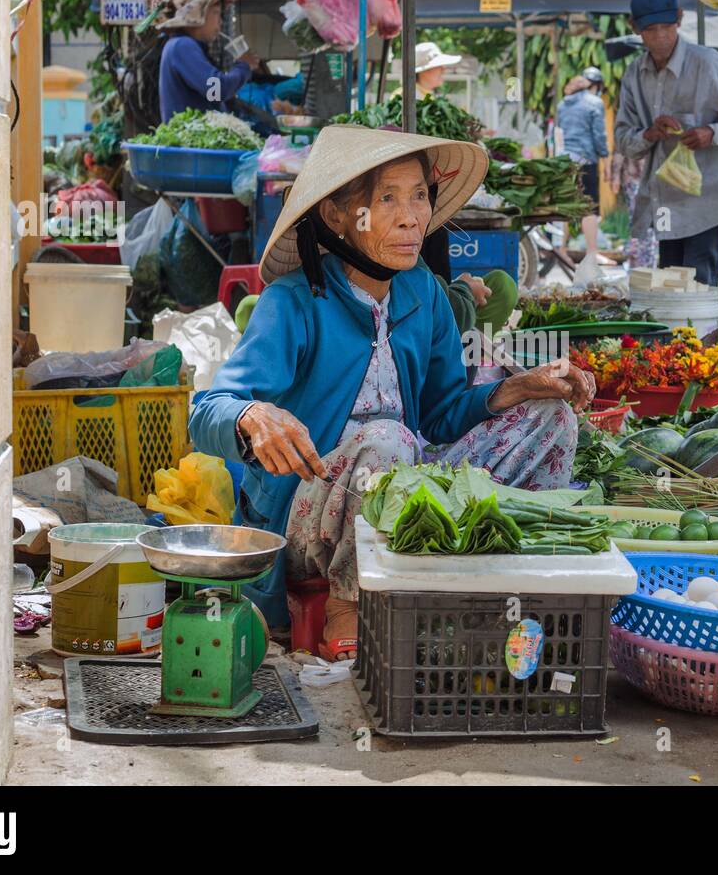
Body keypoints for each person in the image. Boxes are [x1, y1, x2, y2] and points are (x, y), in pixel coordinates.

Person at [189, 126, 594, 658]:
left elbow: (442, 417)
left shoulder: (422, 291)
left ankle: (507, 576)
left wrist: (516, 389)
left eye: (420, 196)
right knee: (387, 441)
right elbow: (205, 414)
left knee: (552, 417)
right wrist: (252, 415)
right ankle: (348, 602)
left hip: (405, 490)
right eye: (387, 199)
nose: (412, 217)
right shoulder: (292, 302)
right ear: (337, 216)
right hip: (309, 517)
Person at [615, 0, 718, 286]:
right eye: (651, 29)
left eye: (666, 27)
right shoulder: (633, 75)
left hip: (706, 200)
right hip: (664, 202)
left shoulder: (706, 62)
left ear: (679, 18)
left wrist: (713, 132)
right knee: (671, 284)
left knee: (699, 288)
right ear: (635, 28)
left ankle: (705, 335)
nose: (660, 36)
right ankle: (681, 337)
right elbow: (624, 140)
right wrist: (650, 133)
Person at [156, 0, 260, 123]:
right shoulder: (182, 46)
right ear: (198, 13)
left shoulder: (184, 45)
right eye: (216, 13)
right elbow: (217, 91)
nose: (220, 22)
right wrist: (244, 66)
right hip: (190, 142)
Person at [556, 66, 610, 284]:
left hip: (564, 160)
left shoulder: (563, 103)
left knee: (567, 205)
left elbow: (558, 133)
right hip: (586, 159)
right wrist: (604, 155)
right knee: (589, 207)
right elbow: (599, 134)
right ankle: (592, 252)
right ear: (595, 86)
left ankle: (561, 248)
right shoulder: (594, 103)